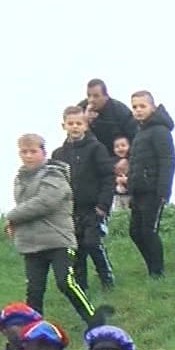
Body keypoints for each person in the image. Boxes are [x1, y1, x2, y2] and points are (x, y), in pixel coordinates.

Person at [9, 134, 97, 327]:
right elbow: (26, 207)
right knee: (34, 290)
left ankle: (94, 320)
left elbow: (44, 203)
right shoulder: (20, 178)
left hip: (58, 240)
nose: (29, 156)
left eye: (33, 151)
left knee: (65, 282)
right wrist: (15, 223)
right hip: (31, 243)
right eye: (24, 152)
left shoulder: (54, 174)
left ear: (43, 152)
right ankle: (32, 331)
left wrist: (11, 216)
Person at [52, 106, 117, 292]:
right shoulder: (58, 155)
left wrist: (103, 205)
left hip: (93, 207)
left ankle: (107, 278)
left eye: (79, 123)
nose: (75, 127)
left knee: (92, 243)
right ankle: (81, 286)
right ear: (63, 125)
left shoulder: (96, 149)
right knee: (76, 248)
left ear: (86, 125)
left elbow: (107, 178)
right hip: (70, 210)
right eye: (71, 123)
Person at [125, 91, 174, 278]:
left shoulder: (160, 131)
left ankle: (157, 271)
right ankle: (151, 268)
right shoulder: (140, 131)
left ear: (152, 107)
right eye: (134, 107)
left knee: (148, 231)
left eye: (142, 106)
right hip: (138, 191)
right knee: (135, 232)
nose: (138, 110)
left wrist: (163, 191)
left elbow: (167, 160)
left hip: (153, 191)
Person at [82, 80, 137, 154]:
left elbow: (135, 138)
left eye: (96, 96)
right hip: (92, 157)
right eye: (89, 96)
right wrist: (85, 122)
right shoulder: (82, 109)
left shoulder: (120, 110)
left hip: (117, 156)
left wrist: (127, 158)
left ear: (106, 96)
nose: (91, 100)